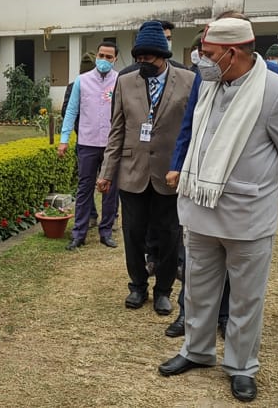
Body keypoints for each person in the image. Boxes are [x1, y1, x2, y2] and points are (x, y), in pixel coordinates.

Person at [157, 16, 278, 403]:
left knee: (245, 298)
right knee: (198, 290)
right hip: (201, 210)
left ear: (231, 53)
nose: (200, 61)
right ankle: (196, 350)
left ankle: (242, 366)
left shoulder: (276, 92)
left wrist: (266, 192)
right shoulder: (210, 85)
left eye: (207, 54)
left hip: (248, 215)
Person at [98, 21, 194, 314]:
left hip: (170, 173)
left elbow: (193, 130)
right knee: (133, 233)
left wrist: (186, 168)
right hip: (133, 171)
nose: (143, 63)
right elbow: (117, 129)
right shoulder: (125, 82)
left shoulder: (189, 80)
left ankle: (163, 290)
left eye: (148, 58)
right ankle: (137, 285)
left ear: (163, 55)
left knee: (169, 235)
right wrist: (106, 172)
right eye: (138, 58)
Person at [59, 41, 120, 250]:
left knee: (110, 189)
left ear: (115, 59)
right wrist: (64, 139)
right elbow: (71, 110)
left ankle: (106, 231)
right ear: (96, 56)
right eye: (101, 55)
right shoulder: (82, 81)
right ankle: (79, 233)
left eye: (109, 57)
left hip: (112, 144)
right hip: (87, 142)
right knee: (85, 188)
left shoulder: (120, 81)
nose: (104, 60)